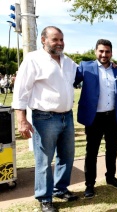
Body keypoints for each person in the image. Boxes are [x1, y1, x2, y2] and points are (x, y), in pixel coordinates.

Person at [12, 26, 78, 212]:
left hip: (67, 116)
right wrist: (21, 119)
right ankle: (44, 197)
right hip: (44, 118)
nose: (59, 43)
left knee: (67, 156)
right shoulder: (33, 59)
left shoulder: (68, 61)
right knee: (44, 160)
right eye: (55, 39)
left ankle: (60, 189)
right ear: (43, 40)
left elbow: (83, 73)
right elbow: (20, 91)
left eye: (61, 39)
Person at [74, 39, 117, 199]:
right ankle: (89, 184)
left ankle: (110, 177)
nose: (104, 54)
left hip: (112, 117)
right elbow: (70, 81)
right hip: (94, 118)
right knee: (92, 152)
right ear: (96, 51)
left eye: (107, 51)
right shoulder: (85, 66)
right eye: (101, 51)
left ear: (111, 53)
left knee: (112, 150)